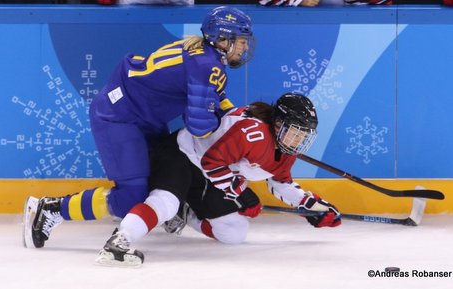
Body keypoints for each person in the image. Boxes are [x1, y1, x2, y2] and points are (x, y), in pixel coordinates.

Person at [23, 6, 256, 249]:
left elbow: (214, 97)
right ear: (222, 39)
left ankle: (174, 211)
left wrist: (236, 117)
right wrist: (233, 141)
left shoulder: (203, 55)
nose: (245, 47)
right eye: (241, 41)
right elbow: (199, 125)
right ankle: (50, 209)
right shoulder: (207, 64)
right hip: (119, 118)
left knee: (163, 175)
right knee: (130, 198)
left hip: (140, 116)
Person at [94, 93, 342, 267]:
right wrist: (241, 193)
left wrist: (312, 207)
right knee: (165, 203)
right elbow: (212, 162)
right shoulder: (252, 133)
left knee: (234, 232)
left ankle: (186, 214)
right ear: (278, 124)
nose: (297, 140)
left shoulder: (286, 149)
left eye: (303, 134)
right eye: (295, 131)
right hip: (181, 154)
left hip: (209, 174)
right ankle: (120, 239)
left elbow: (280, 183)